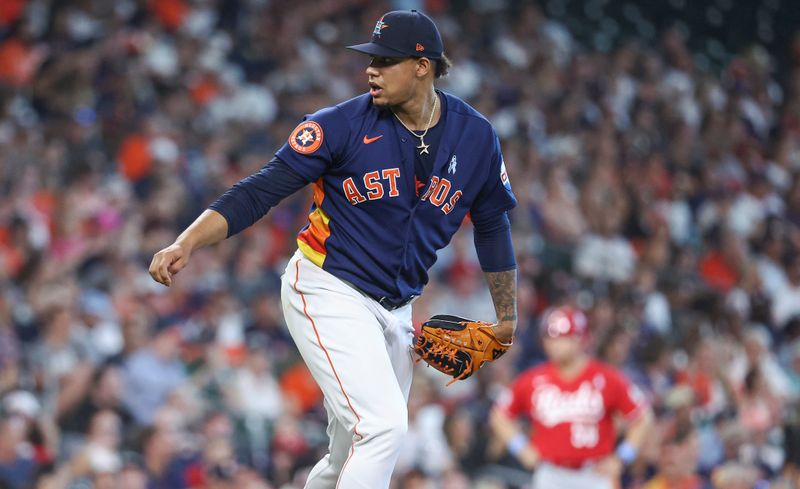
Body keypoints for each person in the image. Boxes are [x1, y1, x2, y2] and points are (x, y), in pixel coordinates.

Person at [149, 9, 518, 488]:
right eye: (371, 59)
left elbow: (492, 224)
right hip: (328, 288)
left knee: (350, 449)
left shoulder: (476, 137)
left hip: (398, 309)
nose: (371, 70)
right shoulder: (341, 125)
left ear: (423, 66)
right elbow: (261, 189)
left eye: (386, 61)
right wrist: (188, 239)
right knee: (383, 427)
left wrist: (506, 317)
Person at [490, 306, 653, 489]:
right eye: (550, 337)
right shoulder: (533, 379)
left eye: (563, 337)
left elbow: (642, 417)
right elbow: (499, 415)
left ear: (581, 339)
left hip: (593, 473)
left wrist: (621, 457)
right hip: (551, 472)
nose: (555, 344)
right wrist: (521, 448)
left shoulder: (606, 378)